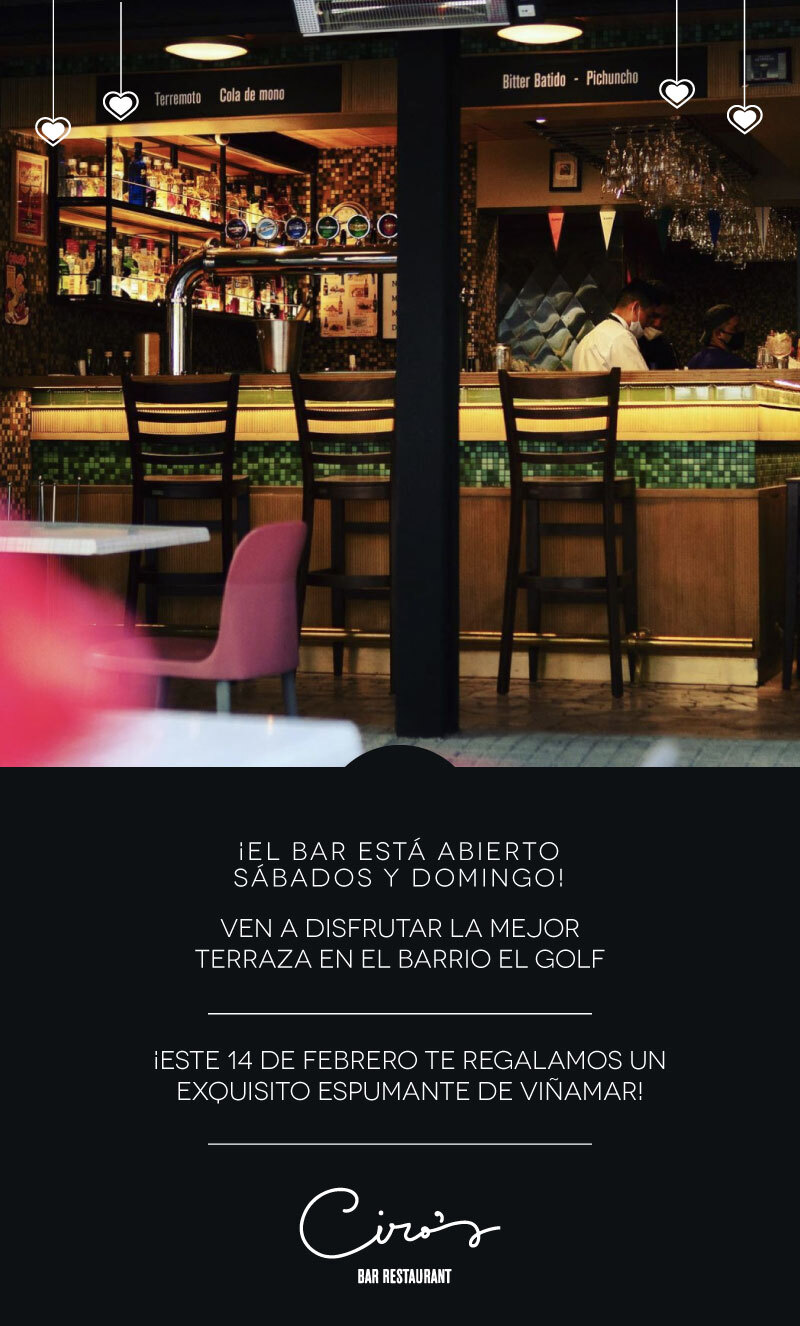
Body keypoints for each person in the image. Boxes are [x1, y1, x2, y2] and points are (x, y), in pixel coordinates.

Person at [572, 280, 656, 373]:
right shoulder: (621, 337)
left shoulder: (585, 341)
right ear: (636, 308)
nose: (649, 323)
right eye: (648, 316)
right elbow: (642, 381)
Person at [687, 305, 753, 369]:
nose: (739, 332)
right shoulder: (736, 364)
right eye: (735, 328)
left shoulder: (693, 362)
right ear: (718, 334)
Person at [640, 280, 679, 370]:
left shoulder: (666, 348)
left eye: (665, 318)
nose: (658, 324)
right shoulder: (627, 341)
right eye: (653, 316)